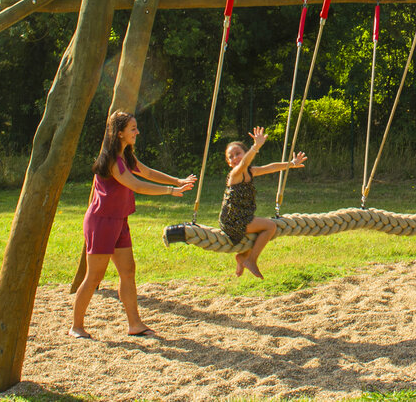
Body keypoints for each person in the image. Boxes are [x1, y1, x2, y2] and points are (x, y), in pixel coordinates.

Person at [70, 110, 196, 339]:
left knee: (128, 272)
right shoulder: (111, 160)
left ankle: (135, 324)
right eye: (133, 129)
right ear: (120, 134)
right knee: (94, 276)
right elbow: (136, 185)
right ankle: (76, 326)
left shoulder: (126, 155)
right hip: (101, 221)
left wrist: (177, 181)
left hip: (119, 220)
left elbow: (146, 172)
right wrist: (171, 191)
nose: (137, 132)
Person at [219, 126, 306, 280]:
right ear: (228, 162)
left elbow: (271, 167)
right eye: (230, 157)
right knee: (270, 226)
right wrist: (256, 146)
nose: (235, 158)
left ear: (245, 154)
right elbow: (244, 163)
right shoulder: (235, 174)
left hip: (242, 218)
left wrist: (291, 164)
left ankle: (243, 257)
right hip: (232, 221)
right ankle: (250, 260)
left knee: (260, 231)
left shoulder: (250, 171)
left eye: (238, 154)